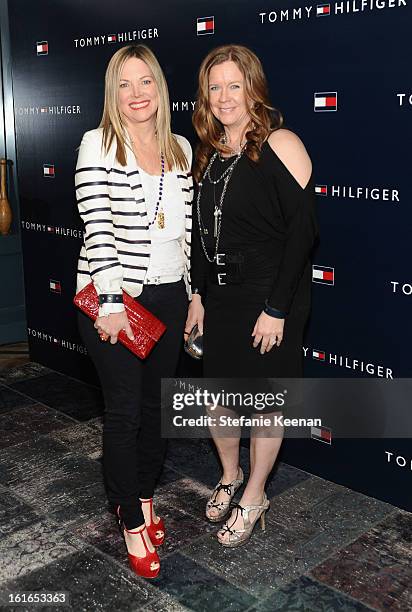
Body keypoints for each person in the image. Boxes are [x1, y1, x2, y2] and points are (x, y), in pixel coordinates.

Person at [185, 44, 318, 547]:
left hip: (269, 296)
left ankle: (256, 493)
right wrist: (198, 294)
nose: (224, 97)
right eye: (214, 87)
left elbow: (302, 235)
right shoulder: (210, 154)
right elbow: (202, 234)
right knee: (218, 398)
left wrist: (276, 308)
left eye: (233, 85)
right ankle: (229, 474)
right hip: (219, 297)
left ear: (253, 88)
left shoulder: (280, 143)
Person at [75, 44, 193, 578]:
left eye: (145, 81)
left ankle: (145, 497)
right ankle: (129, 520)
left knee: (157, 411)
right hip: (115, 299)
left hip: (170, 295)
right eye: (124, 84)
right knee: (124, 412)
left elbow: (189, 234)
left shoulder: (181, 149)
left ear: (160, 88)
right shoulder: (96, 144)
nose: (136, 94)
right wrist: (113, 303)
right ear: (111, 92)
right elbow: (97, 231)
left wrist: (196, 296)